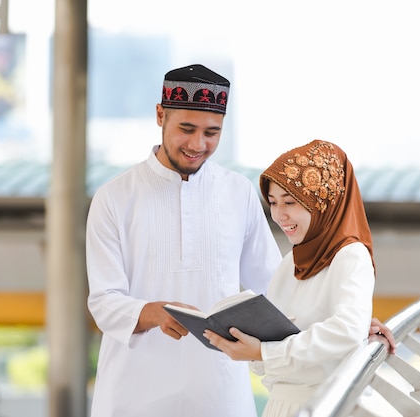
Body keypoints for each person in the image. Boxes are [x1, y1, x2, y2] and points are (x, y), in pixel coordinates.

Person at [86, 64, 283, 417]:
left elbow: (275, 286)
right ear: (161, 115)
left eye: (212, 133)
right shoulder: (115, 197)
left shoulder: (238, 192)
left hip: (220, 397)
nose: (198, 144)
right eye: (186, 129)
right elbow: (103, 301)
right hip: (132, 396)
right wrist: (153, 312)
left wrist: (346, 321)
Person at [203, 139, 393, 416]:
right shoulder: (291, 262)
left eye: (290, 202)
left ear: (322, 201)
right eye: (272, 202)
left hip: (327, 405)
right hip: (283, 405)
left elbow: (346, 332)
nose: (279, 215)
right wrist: (251, 348)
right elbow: (281, 342)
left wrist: (264, 353)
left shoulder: (350, 255)